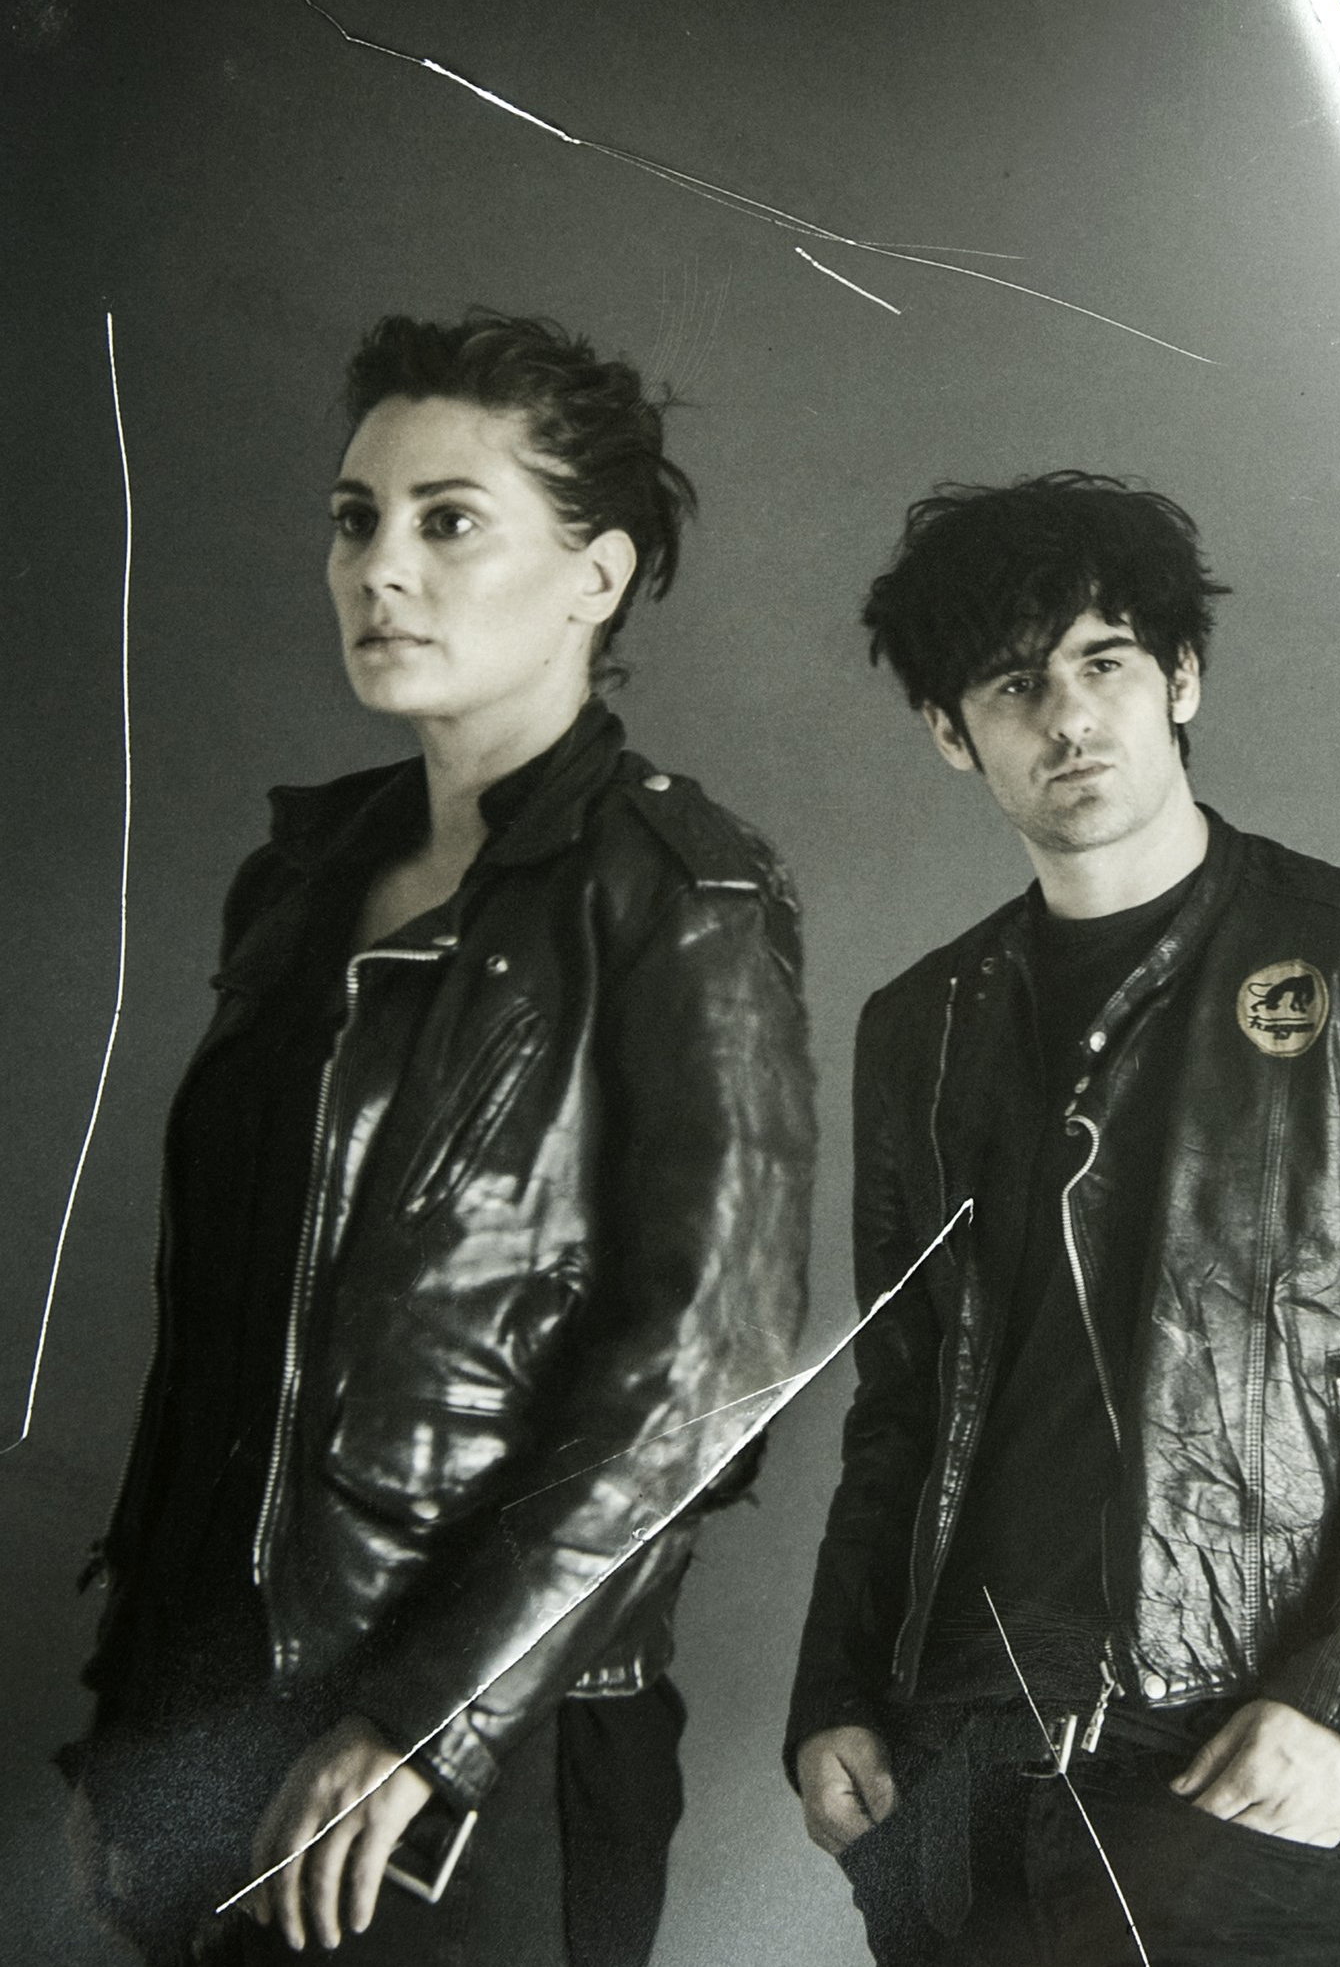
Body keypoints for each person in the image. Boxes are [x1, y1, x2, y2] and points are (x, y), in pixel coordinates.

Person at [65, 311, 816, 1964]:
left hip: (482, 1749)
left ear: (597, 576)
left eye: (449, 519)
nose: (380, 568)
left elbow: (712, 1366)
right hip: (212, 1714)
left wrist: (424, 1719)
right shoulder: (299, 879)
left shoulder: (679, 895)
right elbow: (235, 1326)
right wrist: (138, 1708)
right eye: (357, 519)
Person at [785, 471, 1340, 1965]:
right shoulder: (919, 1027)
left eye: (1106, 662)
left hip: (1218, 1746)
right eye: (1015, 684)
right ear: (951, 731)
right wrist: (834, 1698)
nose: (1069, 717)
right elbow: (898, 1403)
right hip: (949, 1762)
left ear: (1181, 676)